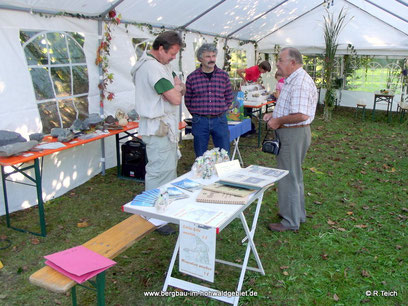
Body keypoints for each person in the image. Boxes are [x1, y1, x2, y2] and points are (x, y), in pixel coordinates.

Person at [131, 31, 185, 235]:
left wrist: (177, 88)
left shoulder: (163, 65)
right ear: (160, 48)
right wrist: (176, 89)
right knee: (158, 170)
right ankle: (152, 215)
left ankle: (164, 208)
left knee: (168, 167)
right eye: (171, 53)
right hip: (157, 127)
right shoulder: (152, 68)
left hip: (165, 126)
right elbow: (176, 98)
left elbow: (180, 86)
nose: (173, 58)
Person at [263, 47, 318, 232]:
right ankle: (296, 213)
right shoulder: (293, 80)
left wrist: (278, 120)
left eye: (280, 60)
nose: (277, 63)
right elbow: (292, 108)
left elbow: (301, 114)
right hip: (293, 132)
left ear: (292, 63)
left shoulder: (299, 82)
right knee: (294, 174)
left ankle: (290, 221)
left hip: (293, 134)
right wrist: (274, 114)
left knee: (288, 176)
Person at [185, 43, 234, 157]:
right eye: (208, 56)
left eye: (213, 56)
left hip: (220, 120)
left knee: (224, 153)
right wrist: (198, 114)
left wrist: (222, 110)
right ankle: (202, 174)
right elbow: (188, 100)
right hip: (200, 121)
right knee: (200, 155)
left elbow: (229, 97)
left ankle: (224, 174)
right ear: (200, 59)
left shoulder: (223, 76)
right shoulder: (192, 78)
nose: (211, 59)